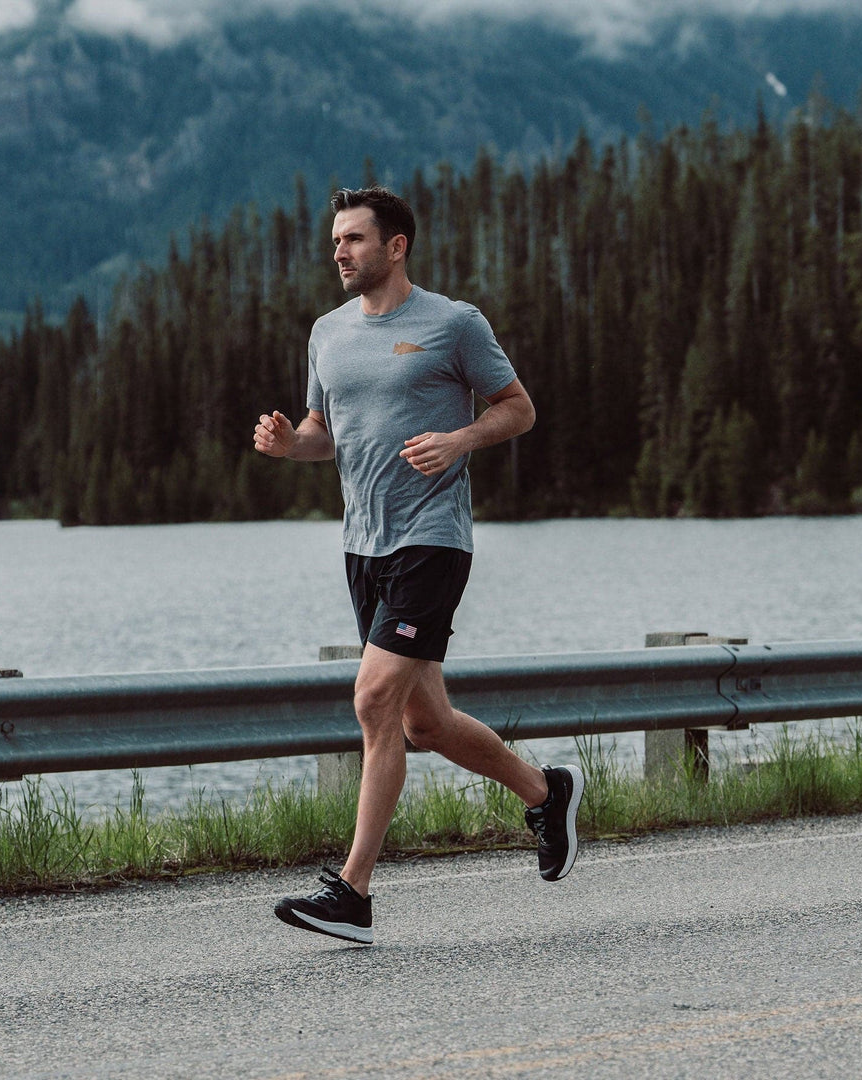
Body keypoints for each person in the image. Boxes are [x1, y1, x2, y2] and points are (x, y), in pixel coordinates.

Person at [254, 186, 584, 944]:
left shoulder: (453, 323)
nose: (340, 251)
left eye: (355, 240)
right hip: (362, 544)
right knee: (423, 720)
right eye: (336, 240)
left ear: (395, 246)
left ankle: (353, 894)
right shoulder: (326, 333)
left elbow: (519, 408)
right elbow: (321, 433)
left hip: (432, 539)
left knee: (373, 702)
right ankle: (546, 792)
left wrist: (460, 439)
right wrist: (286, 443)